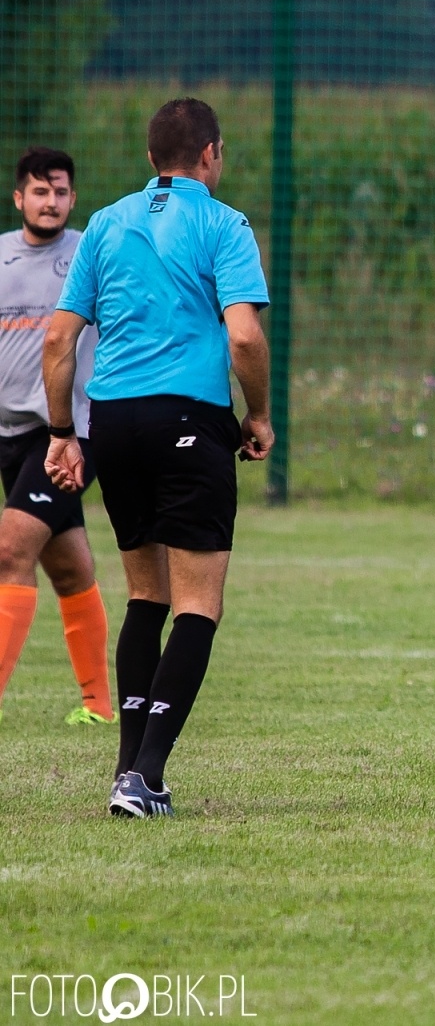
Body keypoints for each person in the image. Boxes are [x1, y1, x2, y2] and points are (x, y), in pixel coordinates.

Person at [42, 97, 274, 819]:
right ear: (212, 154)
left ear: (151, 159)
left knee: (148, 596)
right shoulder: (223, 225)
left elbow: (58, 340)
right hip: (187, 420)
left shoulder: (106, 224)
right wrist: (258, 413)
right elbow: (243, 338)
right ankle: (144, 775)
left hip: (112, 424)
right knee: (199, 603)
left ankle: (128, 774)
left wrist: (62, 432)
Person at [0, 147, 110, 727]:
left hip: (69, 433)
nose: (51, 202)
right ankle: (98, 705)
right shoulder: (0, 259)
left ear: (72, 197)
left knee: (10, 549)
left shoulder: (91, 252)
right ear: (20, 197)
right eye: (40, 192)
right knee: (68, 567)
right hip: (11, 435)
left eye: (61, 192)